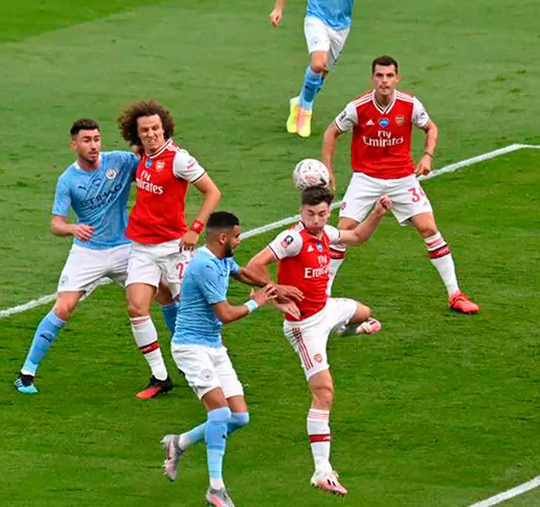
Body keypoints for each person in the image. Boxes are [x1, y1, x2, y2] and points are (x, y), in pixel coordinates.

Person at [245, 187, 390, 496]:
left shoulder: (326, 233)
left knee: (365, 313)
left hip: (326, 310)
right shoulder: (292, 238)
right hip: (304, 327)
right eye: (310, 214)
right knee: (324, 393)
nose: (316, 219)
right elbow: (255, 265)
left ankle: (347, 330)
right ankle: (322, 470)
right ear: (301, 212)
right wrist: (277, 291)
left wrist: (377, 213)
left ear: (328, 212)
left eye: (322, 214)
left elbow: (359, 237)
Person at [161, 211, 301, 507]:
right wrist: (257, 302)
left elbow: (242, 273)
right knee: (220, 414)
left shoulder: (221, 258)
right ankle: (215, 488)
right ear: (223, 237)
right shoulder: (205, 266)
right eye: (237, 236)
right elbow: (225, 314)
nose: (240, 240)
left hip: (213, 346)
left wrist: (273, 287)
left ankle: (179, 442)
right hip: (191, 347)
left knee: (239, 416)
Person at [322, 55, 479, 313]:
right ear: (373, 78)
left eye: (389, 76)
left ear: (397, 78)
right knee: (342, 232)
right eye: (380, 76)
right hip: (366, 178)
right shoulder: (358, 107)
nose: (384, 81)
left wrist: (427, 156)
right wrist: (328, 169)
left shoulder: (410, 104)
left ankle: (456, 295)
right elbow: (332, 132)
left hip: (402, 179)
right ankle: (323, 297)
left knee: (429, 228)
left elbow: (431, 128)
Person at [14, 119, 138, 394]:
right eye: (86, 140)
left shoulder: (120, 161)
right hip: (88, 252)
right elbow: (56, 224)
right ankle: (26, 374)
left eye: (96, 139)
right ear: (74, 145)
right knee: (63, 307)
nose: (93, 145)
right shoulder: (67, 180)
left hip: (124, 248)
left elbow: (150, 167)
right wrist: (72, 227)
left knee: (164, 292)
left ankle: (187, 356)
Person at [118, 100, 222, 399]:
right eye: (145, 131)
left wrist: (196, 229)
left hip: (174, 248)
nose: (151, 134)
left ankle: (215, 364)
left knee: (196, 311)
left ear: (164, 129)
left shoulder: (179, 160)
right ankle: (160, 377)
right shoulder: (141, 156)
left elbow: (213, 192)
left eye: (155, 129)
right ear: (137, 135)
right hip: (141, 246)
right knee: (137, 307)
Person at [269, 0, 389, 138]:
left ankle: (300, 101)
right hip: (316, 18)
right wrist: (278, 8)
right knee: (318, 63)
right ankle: (305, 110)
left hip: (341, 25)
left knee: (322, 73)